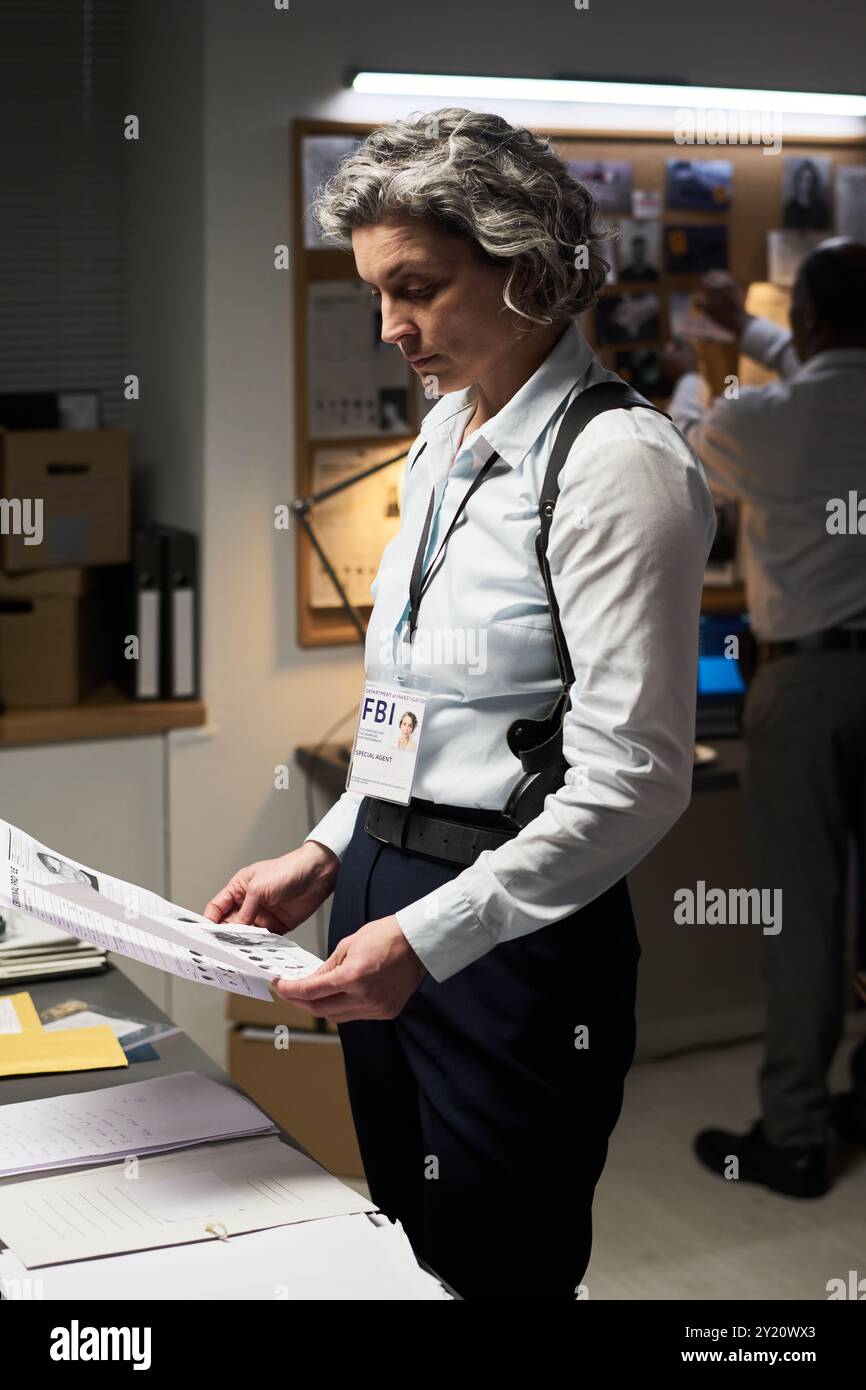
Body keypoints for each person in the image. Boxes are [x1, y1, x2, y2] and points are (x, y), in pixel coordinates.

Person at [205, 107, 715, 1300]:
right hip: (385, 888)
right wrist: (330, 852)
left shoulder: (616, 464)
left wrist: (426, 935)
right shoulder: (445, 435)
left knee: (496, 1271)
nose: (391, 328)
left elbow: (634, 777)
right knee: (406, 1246)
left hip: (509, 928)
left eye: (417, 289)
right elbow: (416, 705)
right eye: (379, 292)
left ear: (528, 266)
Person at [661, 244, 866, 1198]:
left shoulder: (771, 417)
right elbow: (821, 364)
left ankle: (793, 1133)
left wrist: (694, 364)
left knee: (803, 913)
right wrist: (744, 327)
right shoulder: (806, 390)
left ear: (813, 318)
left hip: (811, 685)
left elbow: (683, 445)